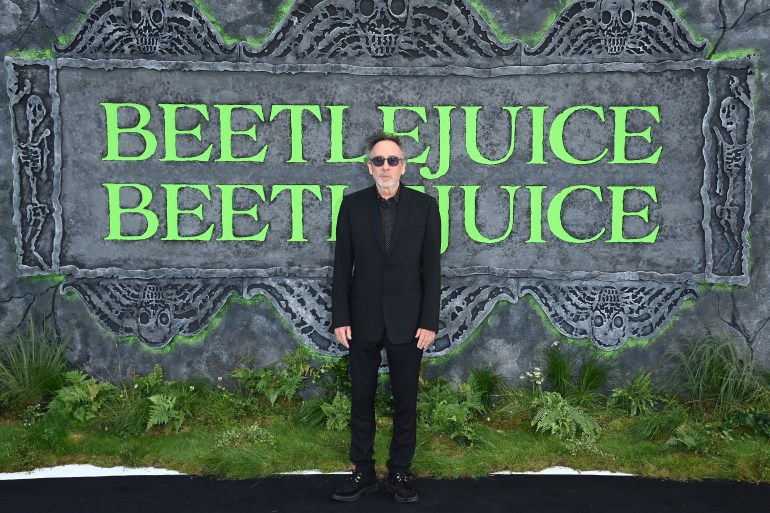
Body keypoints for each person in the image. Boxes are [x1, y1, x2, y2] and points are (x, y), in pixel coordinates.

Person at [330, 132, 441, 503]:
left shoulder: (425, 208)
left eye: (392, 160)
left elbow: (432, 269)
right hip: (361, 321)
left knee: (405, 400)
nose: (386, 167)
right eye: (379, 161)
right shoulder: (352, 206)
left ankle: (399, 473)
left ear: (403, 166)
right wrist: (340, 316)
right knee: (361, 398)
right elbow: (342, 266)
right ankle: (362, 470)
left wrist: (429, 321)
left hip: (409, 323)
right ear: (369, 167)